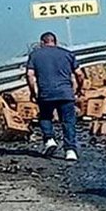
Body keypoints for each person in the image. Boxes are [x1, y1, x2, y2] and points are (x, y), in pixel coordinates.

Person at [25, 32, 84, 161]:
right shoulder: (68, 54)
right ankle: (70, 151)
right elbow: (79, 74)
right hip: (66, 93)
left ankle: (49, 139)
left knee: (45, 117)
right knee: (68, 121)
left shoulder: (35, 55)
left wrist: (33, 92)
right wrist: (79, 89)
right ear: (55, 42)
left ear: (42, 42)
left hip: (46, 93)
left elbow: (30, 75)